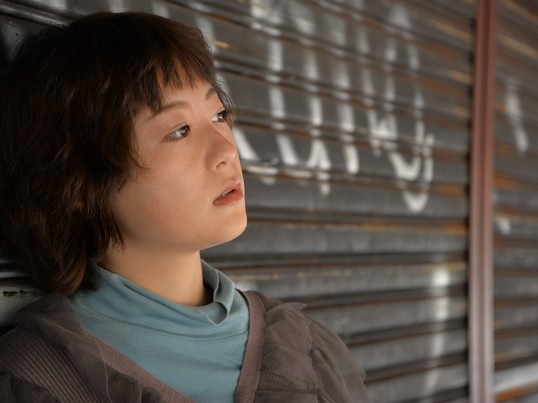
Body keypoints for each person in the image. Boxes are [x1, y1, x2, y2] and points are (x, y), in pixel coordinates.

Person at [0, 12, 369, 402]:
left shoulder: (303, 350)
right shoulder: (41, 380)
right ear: (77, 182)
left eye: (218, 115)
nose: (226, 150)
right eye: (179, 130)